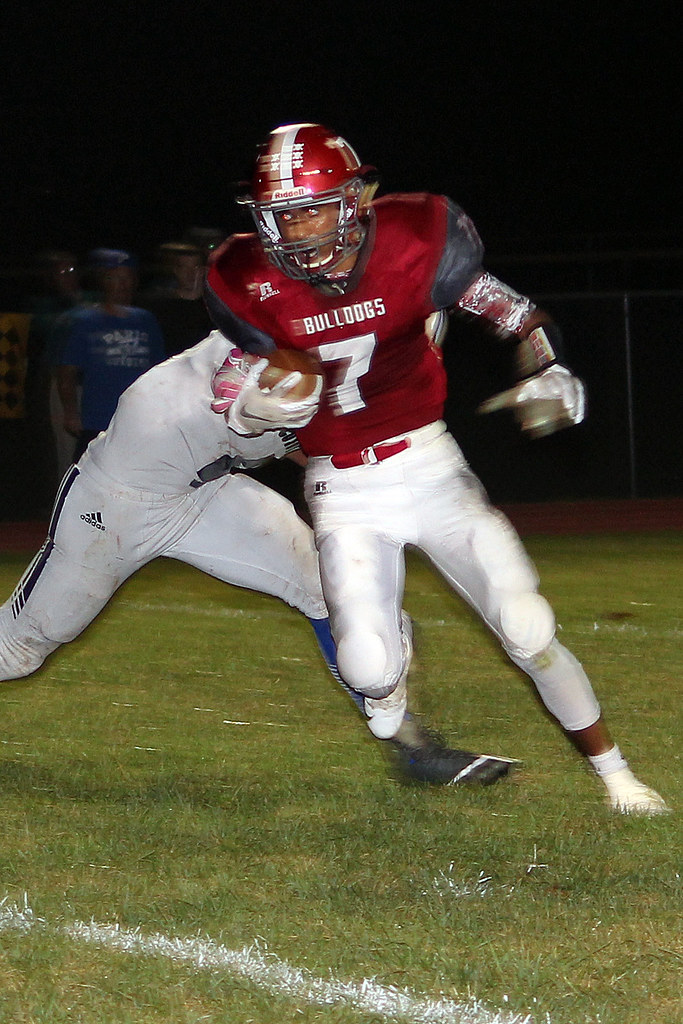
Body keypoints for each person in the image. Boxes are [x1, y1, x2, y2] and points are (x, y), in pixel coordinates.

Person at [203, 122, 669, 815]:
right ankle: (390, 693)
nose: (294, 231)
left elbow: (517, 316)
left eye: (308, 208)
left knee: (527, 626)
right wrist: (251, 410)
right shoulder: (243, 279)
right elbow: (231, 398)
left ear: (353, 202)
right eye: (279, 216)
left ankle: (616, 776)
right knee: (366, 665)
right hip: (340, 486)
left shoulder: (416, 240)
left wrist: (546, 365)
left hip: (427, 465)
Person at [0, 329, 511, 787]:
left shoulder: (331, 351)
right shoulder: (286, 359)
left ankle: (412, 748)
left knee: (330, 589)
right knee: (20, 651)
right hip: (119, 500)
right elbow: (296, 432)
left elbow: (310, 447)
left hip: (204, 487)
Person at [56, 248, 165, 461]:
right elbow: (67, 371)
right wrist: (70, 413)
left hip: (137, 418)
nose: (122, 284)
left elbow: (159, 370)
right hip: (96, 418)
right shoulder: (86, 321)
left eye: (127, 278)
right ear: (103, 281)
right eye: (114, 278)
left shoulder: (146, 320)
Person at [139, 242, 214, 357]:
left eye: (196, 267)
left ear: (204, 270)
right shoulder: (159, 307)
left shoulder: (215, 310)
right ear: (176, 270)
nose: (190, 274)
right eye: (184, 267)